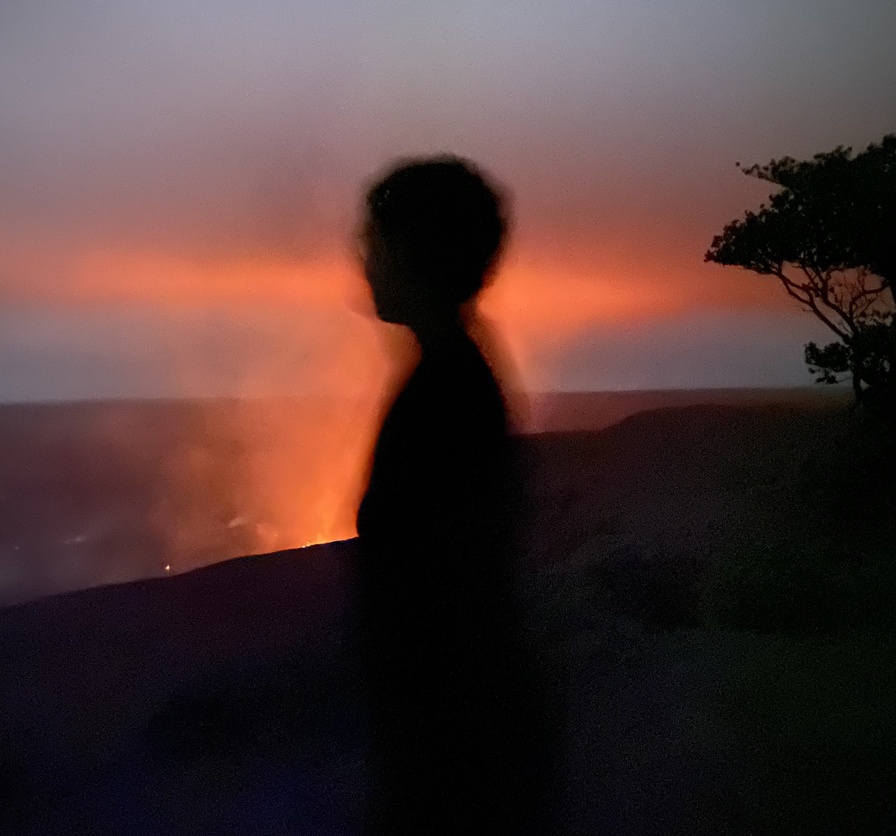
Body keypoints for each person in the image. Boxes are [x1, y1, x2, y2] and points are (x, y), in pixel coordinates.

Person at [354, 156, 560, 834]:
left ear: (415, 252)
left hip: (454, 746)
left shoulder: (445, 394)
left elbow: (443, 593)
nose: (363, 261)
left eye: (375, 241)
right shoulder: (457, 374)